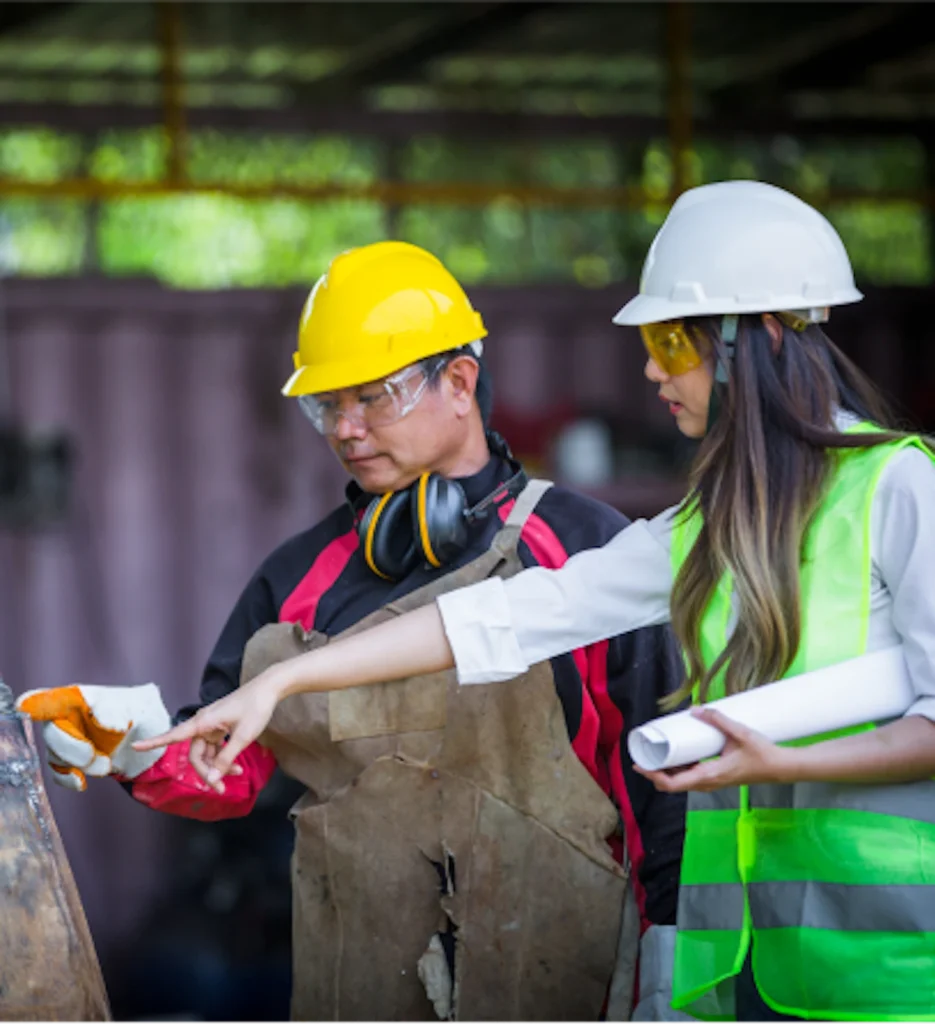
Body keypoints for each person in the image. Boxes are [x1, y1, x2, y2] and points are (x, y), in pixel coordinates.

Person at [137, 182, 935, 1024]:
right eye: (327, 405)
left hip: (891, 971)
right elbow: (501, 619)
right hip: (744, 970)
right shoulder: (706, 527)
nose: (650, 369)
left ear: (764, 335)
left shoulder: (898, 487)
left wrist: (779, 765)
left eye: (671, 340)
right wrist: (279, 684)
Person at [17, 241, 688, 1023]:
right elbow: (230, 775)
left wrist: (665, 965)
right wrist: (130, 744)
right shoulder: (295, 578)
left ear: (461, 382)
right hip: (358, 983)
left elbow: (656, 783)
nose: (346, 428)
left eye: (372, 397)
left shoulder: (588, 555)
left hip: (570, 981)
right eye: (326, 406)